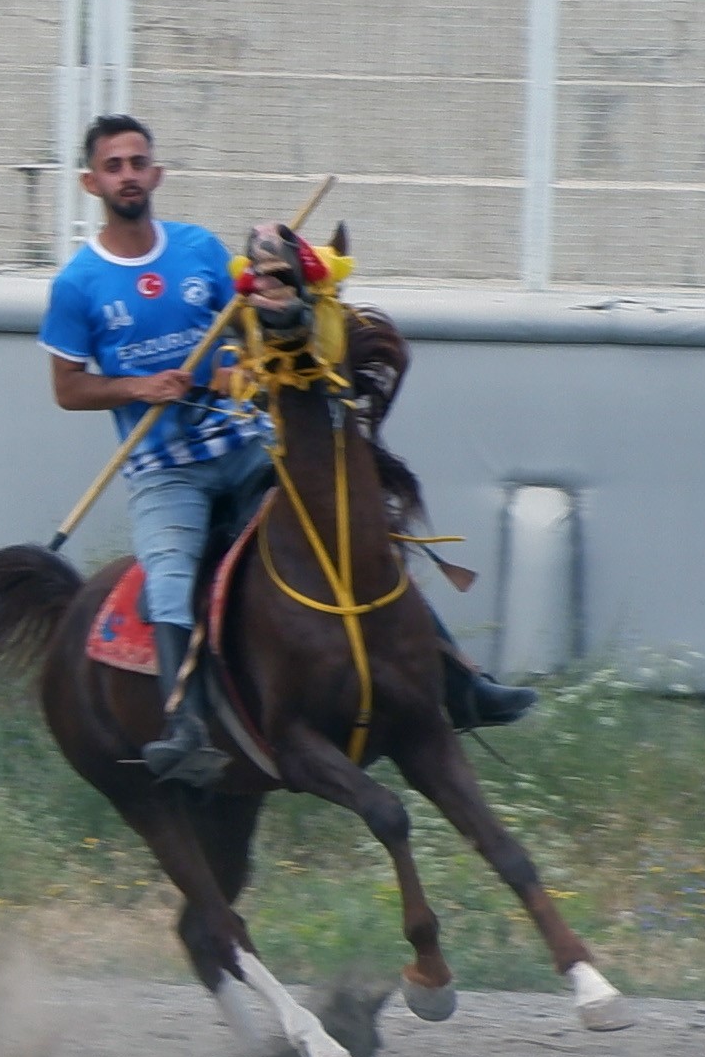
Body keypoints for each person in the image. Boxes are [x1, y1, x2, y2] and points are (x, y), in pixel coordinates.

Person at [42, 114, 530, 786]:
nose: (128, 175)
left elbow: (249, 334)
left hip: (245, 445)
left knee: (357, 533)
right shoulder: (77, 284)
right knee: (170, 580)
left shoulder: (198, 251)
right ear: (90, 180)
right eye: (114, 165)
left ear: (156, 174)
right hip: (166, 471)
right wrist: (139, 384)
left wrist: (236, 366)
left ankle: (461, 680)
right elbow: (68, 388)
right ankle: (184, 726)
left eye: (138, 162)